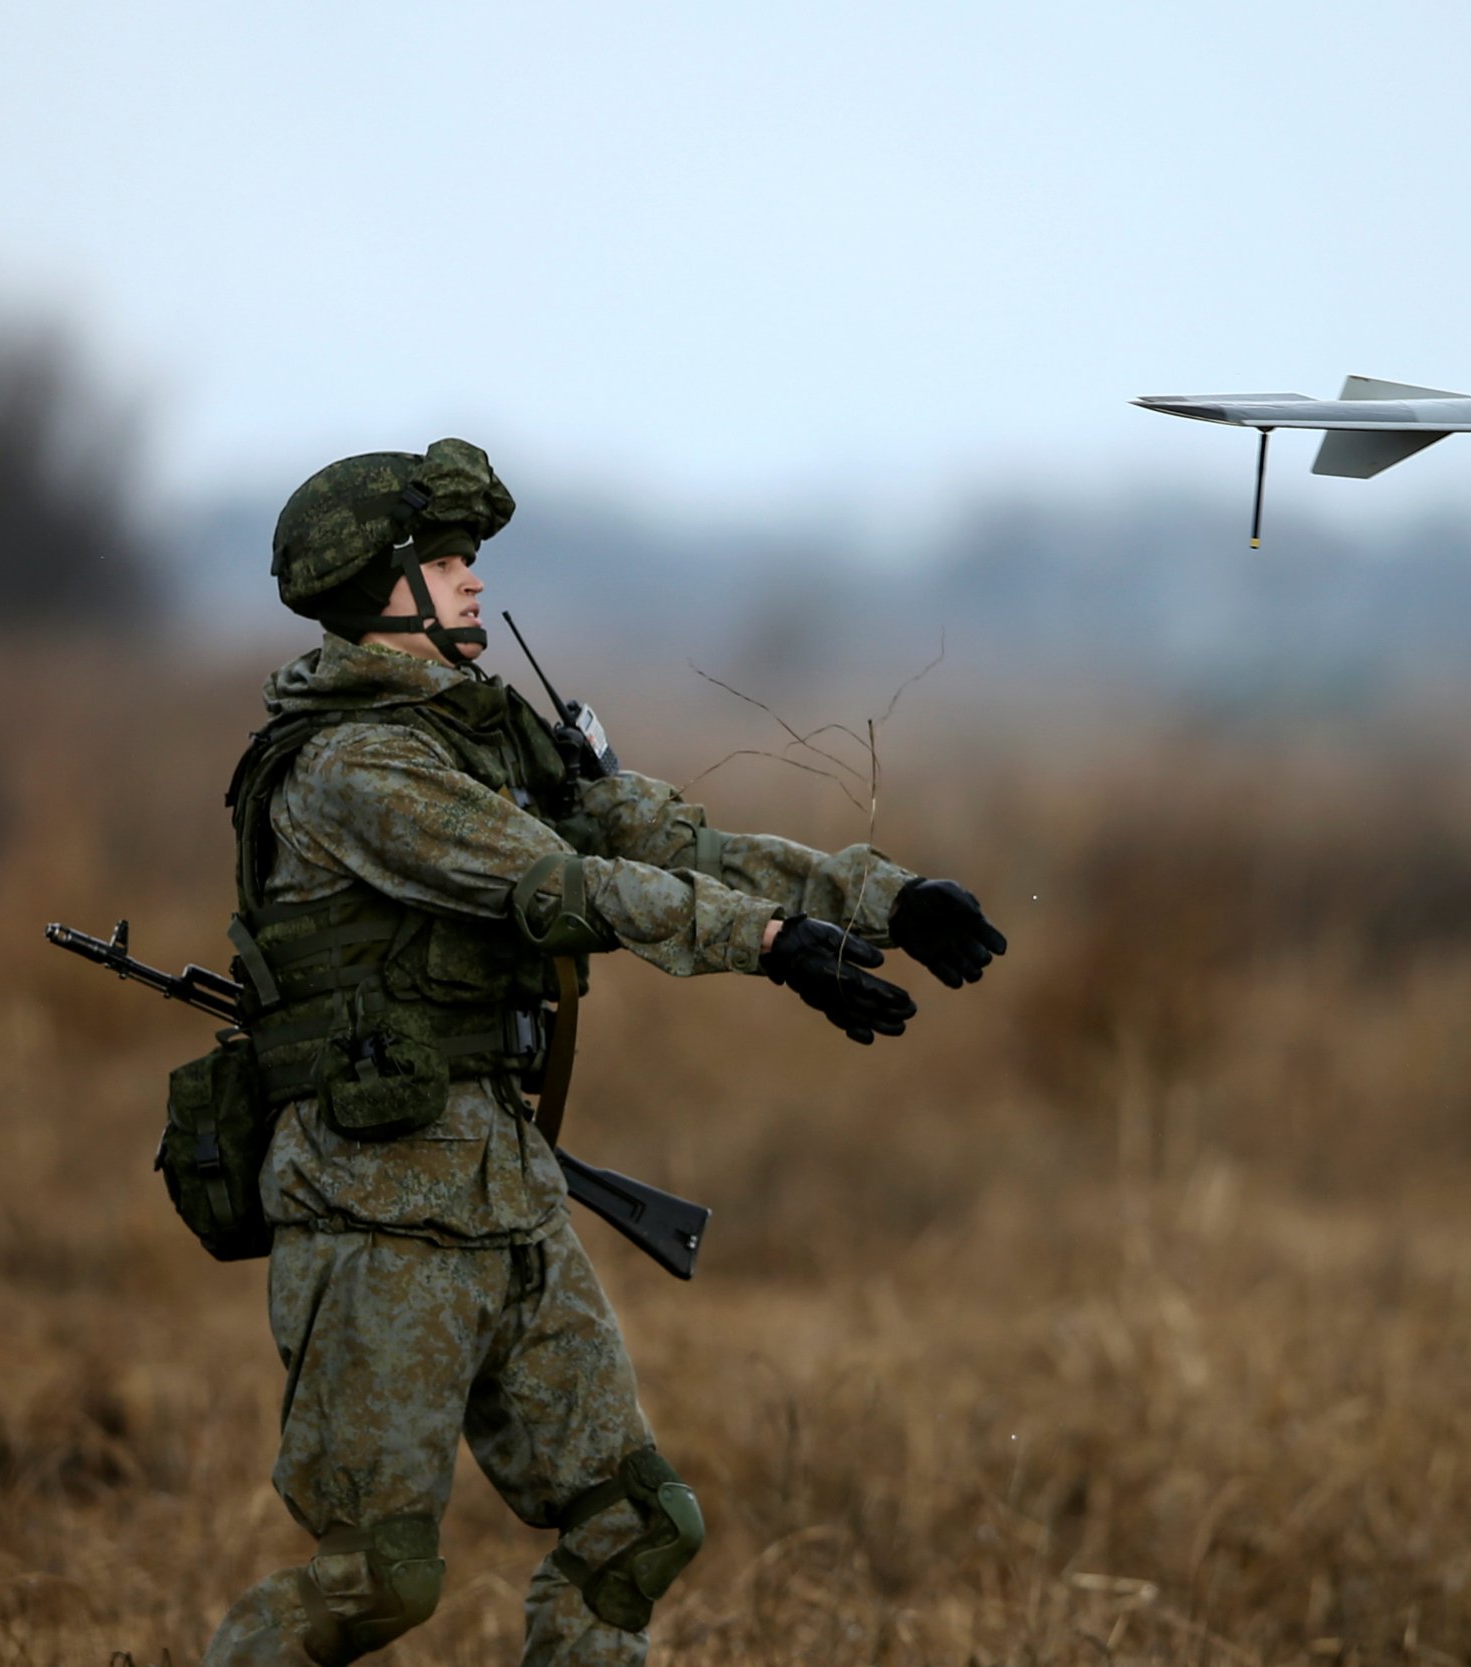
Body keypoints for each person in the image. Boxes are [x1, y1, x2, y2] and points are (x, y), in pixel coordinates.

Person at [202, 438, 1006, 1666]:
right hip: (376, 1215)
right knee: (379, 1580)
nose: (474, 581)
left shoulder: (480, 738)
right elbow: (565, 885)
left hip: (505, 1191)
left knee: (638, 1525)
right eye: (446, 560)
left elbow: (670, 837)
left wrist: (877, 899)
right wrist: (772, 944)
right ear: (380, 587)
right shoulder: (356, 768)